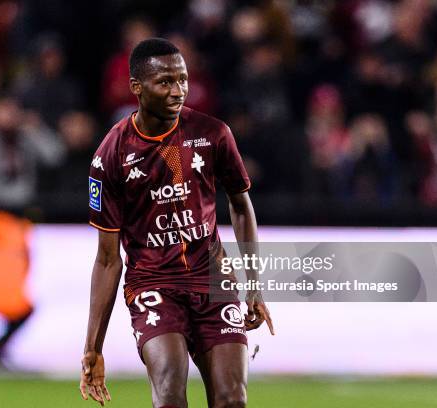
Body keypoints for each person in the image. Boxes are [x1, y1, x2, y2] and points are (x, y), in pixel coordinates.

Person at [80, 38, 274, 408]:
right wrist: (93, 347)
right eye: (165, 81)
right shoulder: (112, 155)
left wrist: (254, 285)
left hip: (214, 281)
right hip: (154, 284)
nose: (178, 91)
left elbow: (240, 206)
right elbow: (107, 258)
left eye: (183, 80)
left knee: (232, 399)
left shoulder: (213, 133)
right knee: (169, 392)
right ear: (137, 87)